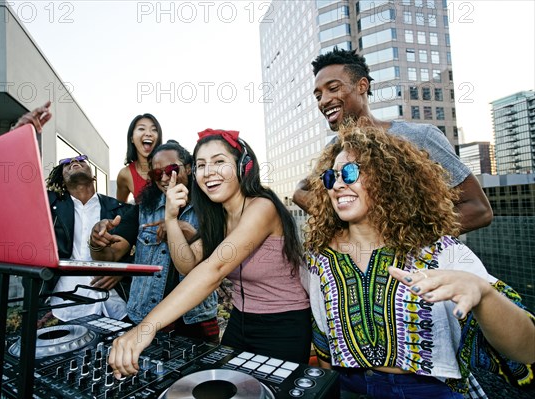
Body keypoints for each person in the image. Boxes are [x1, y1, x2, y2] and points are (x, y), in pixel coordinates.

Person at [302, 122, 535, 399]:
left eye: (350, 173)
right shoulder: (320, 258)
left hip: (428, 391)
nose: (338, 185)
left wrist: (483, 295)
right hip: (348, 387)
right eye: (331, 177)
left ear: (388, 179)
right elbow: (323, 337)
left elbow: (527, 348)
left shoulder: (441, 252)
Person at [106, 129, 311, 377]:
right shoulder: (219, 219)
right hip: (240, 319)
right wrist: (171, 218)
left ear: (243, 166)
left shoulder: (262, 208)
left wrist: (146, 328)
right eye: (201, 164)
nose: (208, 171)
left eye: (219, 161)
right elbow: (187, 265)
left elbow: (213, 270)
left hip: (283, 324)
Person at [293, 48, 492, 234]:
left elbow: (479, 210)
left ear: (362, 86)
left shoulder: (420, 137)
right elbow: (303, 192)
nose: (324, 101)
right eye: (318, 95)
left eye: (333, 88)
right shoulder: (333, 151)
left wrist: (401, 238)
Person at [13, 104, 135, 322]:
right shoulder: (50, 205)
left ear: (94, 176)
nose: (74, 162)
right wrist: (20, 136)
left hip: (115, 303)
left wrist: (124, 270)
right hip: (66, 304)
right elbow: (20, 188)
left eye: (81, 160)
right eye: (66, 163)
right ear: (61, 177)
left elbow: (143, 248)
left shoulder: (120, 209)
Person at [88, 140, 219, 342]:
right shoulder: (143, 210)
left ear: (190, 169)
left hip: (196, 320)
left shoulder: (211, 208)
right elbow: (110, 254)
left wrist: (186, 230)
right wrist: (97, 241)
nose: (165, 178)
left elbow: (215, 263)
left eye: (172, 169)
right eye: (157, 174)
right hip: (146, 315)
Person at [116, 113, 163, 203]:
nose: (148, 133)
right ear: (132, 138)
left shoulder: (170, 165)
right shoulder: (125, 174)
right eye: (141, 128)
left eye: (154, 129)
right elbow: (121, 208)